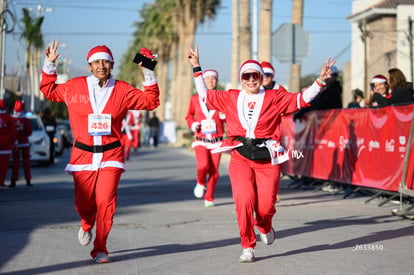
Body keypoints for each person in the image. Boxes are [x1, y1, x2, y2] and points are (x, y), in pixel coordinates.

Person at [188, 45, 335, 262]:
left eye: (255, 75)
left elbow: (301, 100)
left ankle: (264, 225)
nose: (251, 80)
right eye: (246, 76)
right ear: (241, 78)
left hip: (267, 156)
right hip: (240, 155)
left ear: (261, 77)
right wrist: (197, 68)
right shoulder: (231, 97)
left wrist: (320, 81)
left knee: (266, 206)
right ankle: (247, 246)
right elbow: (205, 97)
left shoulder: (274, 97)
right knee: (243, 199)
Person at [40, 38, 160, 263]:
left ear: (112, 66)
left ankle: (100, 248)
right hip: (82, 156)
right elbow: (48, 90)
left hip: (111, 155)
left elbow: (151, 101)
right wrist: (50, 64)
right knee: (85, 205)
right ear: (89, 66)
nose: (101, 66)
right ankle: (86, 223)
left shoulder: (122, 90)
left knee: (106, 202)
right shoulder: (74, 86)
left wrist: (148, 71)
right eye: (96, 62)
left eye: (106, 62)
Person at [185, 69, 226, 207]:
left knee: (214, 171)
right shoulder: (195, 99)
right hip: (201, 138)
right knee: (203, 165)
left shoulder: (222, 98)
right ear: (202, 81)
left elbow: (230, 117)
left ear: (217, 81)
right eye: (207, 78)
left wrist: (223, 116)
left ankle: (209, 196)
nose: (210, 81)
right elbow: (189, 116)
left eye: (213, 78)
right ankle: (201, 182)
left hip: (217, 140)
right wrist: (193, 124)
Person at [10, 100, 33, 188]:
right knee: (26, 162)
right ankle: (28, 181)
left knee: (15, 163)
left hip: (15, 144)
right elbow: (29, 132)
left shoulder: (11, 119)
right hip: (24, 143)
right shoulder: (26, 120)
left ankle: (13, 182)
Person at [0, 99, 17, 187]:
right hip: (6, 145)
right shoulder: (8, 118)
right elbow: (13, 132)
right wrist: (15, 142)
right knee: (3, 166)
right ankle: (1, 181)